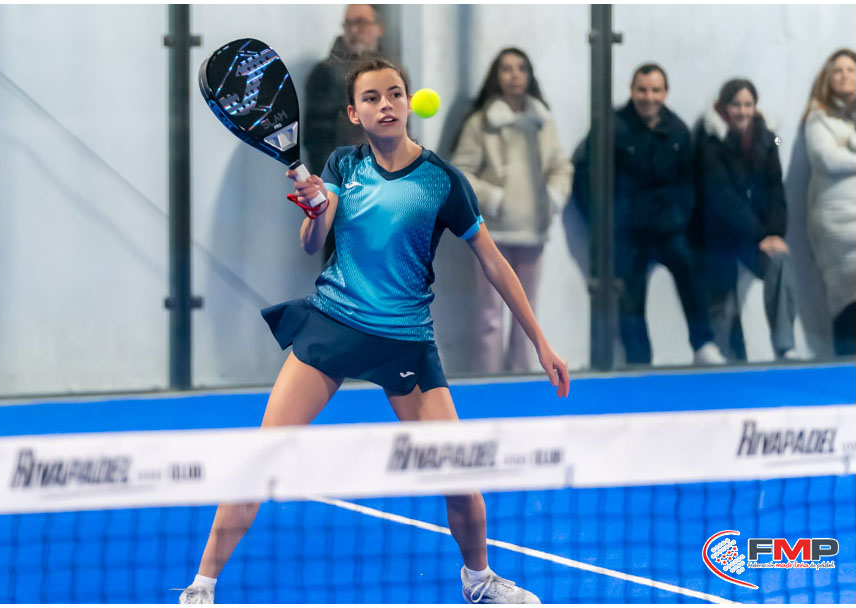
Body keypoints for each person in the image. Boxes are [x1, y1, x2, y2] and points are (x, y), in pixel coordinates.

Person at [177, 59, 569, 605]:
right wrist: (316, 206)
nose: (385, 104)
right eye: (371, 98)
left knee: (459, 478)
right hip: (333, 326)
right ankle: (201, 587)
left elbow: (495, 264)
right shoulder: (343, 165)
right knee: (262, 456)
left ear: (408, 102)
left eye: (395, 94)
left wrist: (540, 341)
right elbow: (312, 242)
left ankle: (479, 581)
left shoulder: (443, 181)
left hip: (405, 341)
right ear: (353, 113)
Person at [573, 64, 725, 366]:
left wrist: (678, 218)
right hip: (627, 233)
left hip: (668, 228)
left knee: (692, 270)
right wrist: (606, 225)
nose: (649, 97)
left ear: (665, 93)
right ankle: (639, 361)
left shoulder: (678, 130)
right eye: (642, 90)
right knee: (630, 294)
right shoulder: (611, 128)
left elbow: (689, 184)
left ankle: (703, 344)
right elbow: (586, 182)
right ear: (631, 90)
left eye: (656, 90)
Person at [451, 48, 574, 374]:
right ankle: (488, 380)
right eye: (507, 68)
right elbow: (460, 172)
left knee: (527, 314)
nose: (515, 75)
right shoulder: (481, 123)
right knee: (489, 314)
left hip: (533, 230)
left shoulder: (542, 120)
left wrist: (550, 199)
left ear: (530, 75)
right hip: (492, 233)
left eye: (521, 68)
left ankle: (522, 377)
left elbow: (561, 167)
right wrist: (495, 199)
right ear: (496, 76)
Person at [691, 78, 798, 361]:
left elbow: (776, 188)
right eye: (736, 104)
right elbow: (721, 197)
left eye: (748, 104)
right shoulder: (709, 138)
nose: (742, 111)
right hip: (719, 236)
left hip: (757, 237)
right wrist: (761, 235)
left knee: (780, 262)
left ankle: (785, 346)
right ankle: (725, 358)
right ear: (724, 107)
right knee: (723, 298)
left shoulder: (770, 138)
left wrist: (775, 234)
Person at [304, 4, 384, 263]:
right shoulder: (326, 73)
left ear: (378, 28)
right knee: (342, 271)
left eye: (361, 22)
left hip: (386, 196)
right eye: (349, 23)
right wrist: (332, 190)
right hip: (345, 195)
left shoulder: (391, 72)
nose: (354, 29)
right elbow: (317, 139)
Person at [803, 49, 856, 356]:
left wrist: (850, 144)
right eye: (838, 70)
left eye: (851, 69)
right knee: (848, 294)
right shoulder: (818, 117)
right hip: (837, 221)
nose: (845, 76)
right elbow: (826, 159)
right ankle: (847, 365)